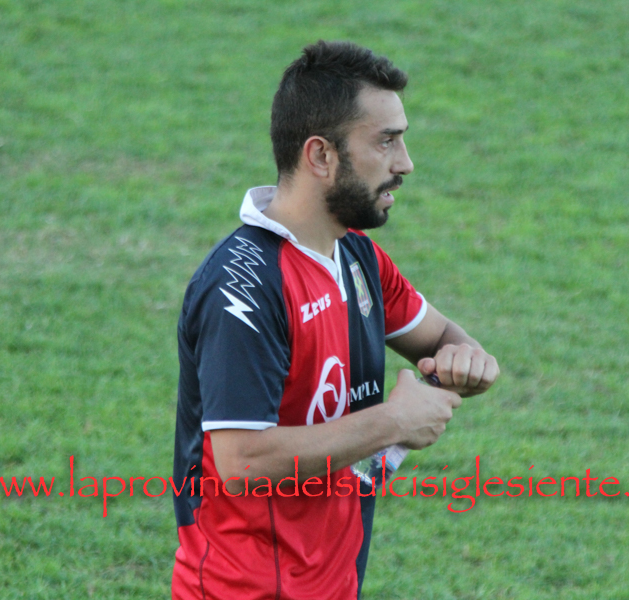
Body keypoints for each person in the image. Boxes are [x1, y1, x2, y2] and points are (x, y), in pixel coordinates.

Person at [171, 40, 499, 599]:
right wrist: (394, 422)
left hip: (334, 578)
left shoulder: (357, 256)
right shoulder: (243, 289)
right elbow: (242, 462)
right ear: (321, 156)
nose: (405, 163)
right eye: (386, 141)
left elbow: (442, 337)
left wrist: (467, 360)